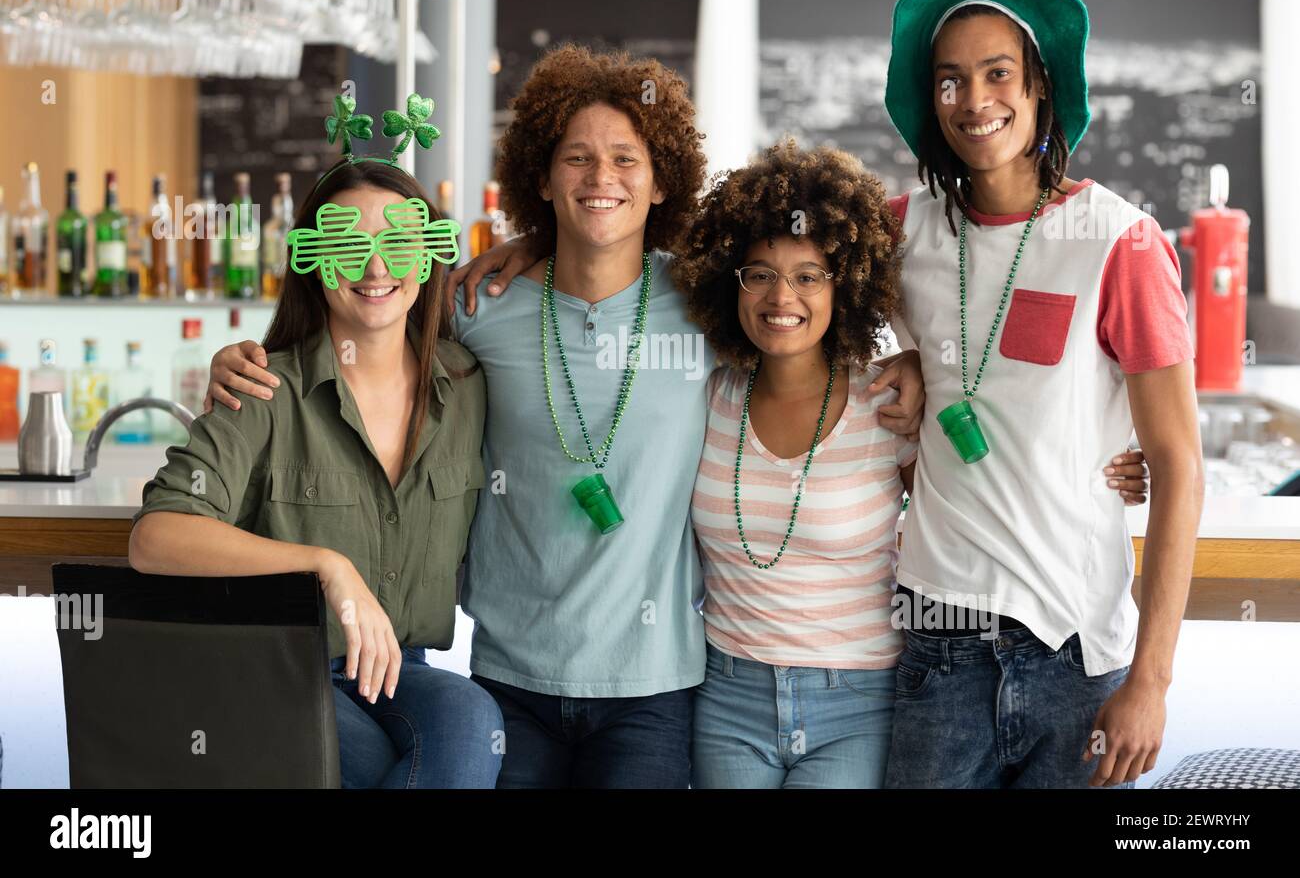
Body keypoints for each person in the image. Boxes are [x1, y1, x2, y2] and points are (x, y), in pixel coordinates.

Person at [203, 45, 928, 788]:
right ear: (541, 179)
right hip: (511, 682)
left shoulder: (709, 307)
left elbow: (802, 318)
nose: (601, 178)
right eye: (576, 158)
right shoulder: (477, 305)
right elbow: (365, 307)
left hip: (656, 689)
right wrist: (251, 358)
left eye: (625, 159)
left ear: (660, 182)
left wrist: (909, 363)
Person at [674, 140, 1149, 788]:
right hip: (727, 694)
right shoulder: (706, 396)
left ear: (846, 281)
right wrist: (529, 245)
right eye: (757, 272)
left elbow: (1000, 461)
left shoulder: (887, 407)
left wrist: (1116, 460)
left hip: (862, 697)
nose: (780, 294)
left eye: (809, 274)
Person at [880, 0, 1203, 788]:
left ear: (1041, 90)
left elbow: (1178, 468)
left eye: (997, 74)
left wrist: (1151, 681)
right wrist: (903, 352)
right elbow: (749, 267)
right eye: (950, 81)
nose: (974, 101)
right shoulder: (893, 230)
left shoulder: (1120, 242)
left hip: (1076, 656)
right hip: (935, 651)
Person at [130, 136, 503, 788]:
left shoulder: (469, 383)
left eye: (398, 243)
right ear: (313, 260)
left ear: (428, 256)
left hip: (398, 672)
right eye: (346, 245)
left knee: (471, 719)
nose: (375, 265)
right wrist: (327, 568)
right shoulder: (264, 389)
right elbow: (156, 536)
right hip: (270, 665)